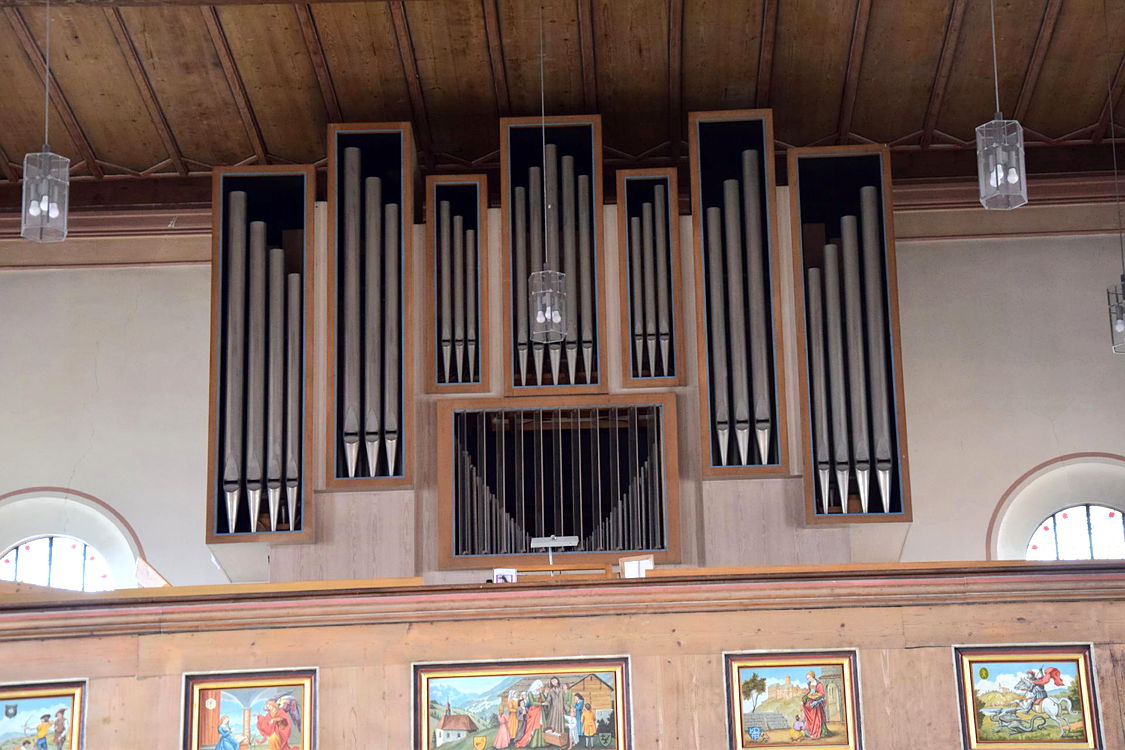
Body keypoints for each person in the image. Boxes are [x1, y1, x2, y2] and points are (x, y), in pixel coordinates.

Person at [514, 681, 545, 747]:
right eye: (539, 685)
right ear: (535, 685)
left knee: (540, 725)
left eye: (540, 686)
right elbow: (532, 702)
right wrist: (541, 704)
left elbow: (544, 700)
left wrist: (541, 693)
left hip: (539, 711)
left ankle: (540, 742)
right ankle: (530, 741)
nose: (540, 687)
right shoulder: (530, 693)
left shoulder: (540, 693)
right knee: (531, 726)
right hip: (533, 711)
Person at [543, 676, 572, 744]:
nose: (554, 682)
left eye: (555, 680)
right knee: (552, 724)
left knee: (560, 725)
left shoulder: (561, 690)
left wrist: (568, 709)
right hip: (553, 711)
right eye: (552, 681)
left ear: (557, 681)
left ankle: (560, 740)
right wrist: (545, 703)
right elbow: (548, 700)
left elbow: (564, 701)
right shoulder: (551, 691)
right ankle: (551, 740)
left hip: (560, 710)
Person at [801, 671, 828, 739]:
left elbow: (822, 694)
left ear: (812, 676)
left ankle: (815, 733)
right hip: (811, 699)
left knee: (815, 717)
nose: (808, 679)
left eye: (809, 678)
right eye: (807, 678)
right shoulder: (809, 683)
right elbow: (809, 693)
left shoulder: (819, 684)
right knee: (805, 707)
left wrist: (816, 700)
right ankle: (809, 731)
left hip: (817, 701)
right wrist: (803, 699)